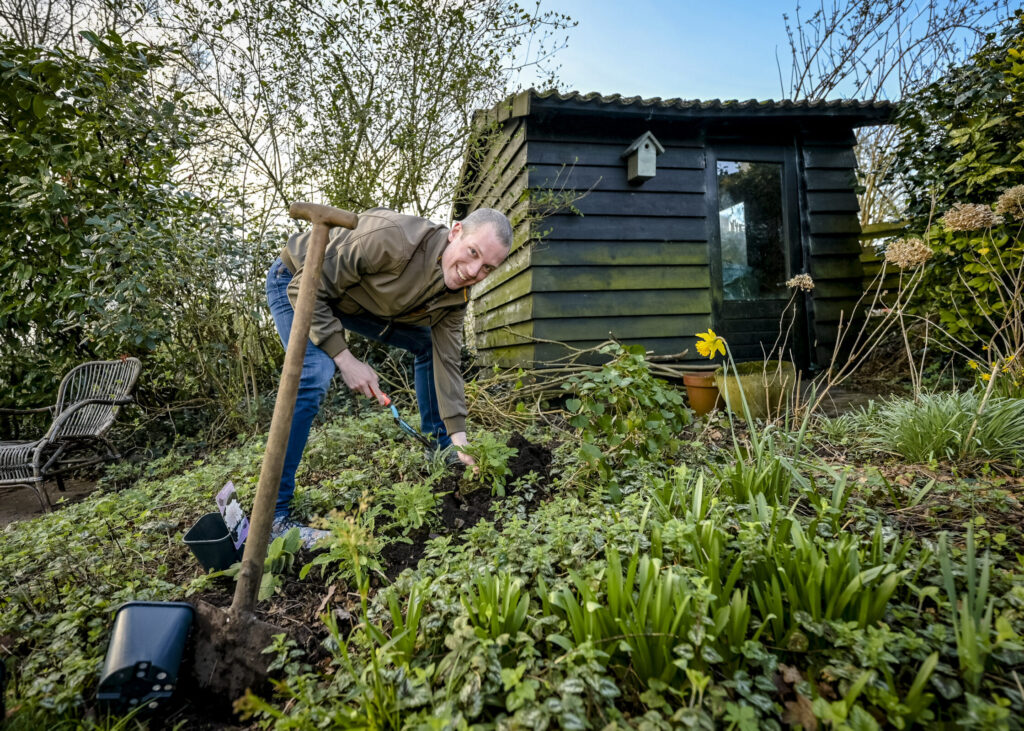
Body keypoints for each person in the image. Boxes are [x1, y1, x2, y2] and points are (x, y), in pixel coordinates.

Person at [265, 207, 512, 546]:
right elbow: (304, 287)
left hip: (351, 303)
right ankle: (273, 518)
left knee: (427, 345)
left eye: (487, 268)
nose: (473, 271)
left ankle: (442, 454)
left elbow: (447, 360)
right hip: (295, 281)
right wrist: (346, 359)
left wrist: (459, 437)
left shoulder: (455, 297)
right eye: (473, 253)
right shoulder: (390, 237)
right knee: (314, 374)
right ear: (456, 232)